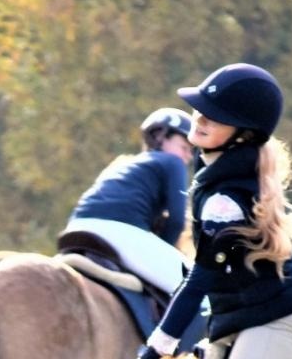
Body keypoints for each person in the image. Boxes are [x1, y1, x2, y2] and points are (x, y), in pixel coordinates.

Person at [124, 64, 292, 359]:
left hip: (272, 322)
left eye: (216, 116)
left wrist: (153, 354)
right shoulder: (216, 171)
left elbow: (198, 281)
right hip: (238, 320)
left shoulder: (224, 200)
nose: (200, 119)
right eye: (201, 109)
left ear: (243, 136)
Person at [61, 107, 194, 298]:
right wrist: (163, 249)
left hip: (76, 227)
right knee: (196, 295)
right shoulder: (173, 162)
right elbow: (176, 221)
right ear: (160, 138)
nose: (188, 156)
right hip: (121, 232)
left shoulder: (122, 163)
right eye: (184, 147)